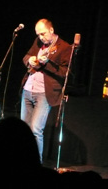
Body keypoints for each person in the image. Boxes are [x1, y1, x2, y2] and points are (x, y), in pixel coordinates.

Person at [20, 18, 72, 163]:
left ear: (51, 30)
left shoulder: (65, 47)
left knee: (36, 130)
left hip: (44, 93)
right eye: (38, 35)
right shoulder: (38, 42)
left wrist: (47, 63)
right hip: (28, 89)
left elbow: (64, 73)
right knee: (23, 130)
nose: (40, 38)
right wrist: (30, 60)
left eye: (43, 34)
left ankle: (37, 163)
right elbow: (25, 57)